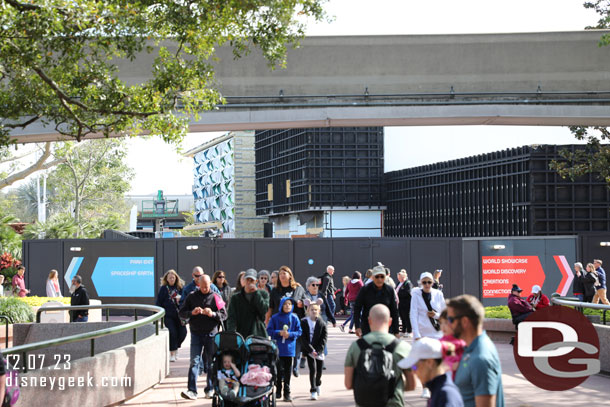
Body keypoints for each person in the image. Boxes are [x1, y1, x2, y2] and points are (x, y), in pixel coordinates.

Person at [344, 304, 416, 407]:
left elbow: (348, 384)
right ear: (390, 322)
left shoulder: (356, 347)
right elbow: (412, 384)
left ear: (369, 321)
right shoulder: (402, 347)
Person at [447, 295, 505, 407]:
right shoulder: (471, 349)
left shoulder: (480, 359)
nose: (448, 324)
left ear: (464, 321)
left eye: (451, 319)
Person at [179, 274, 227, 401]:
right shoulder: (191, 296)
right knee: (194, 361)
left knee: (211, 363)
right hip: (196, 333)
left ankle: (210, 389)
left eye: (207, 286)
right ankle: (192, 390)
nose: (205, 288)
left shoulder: (216, 296)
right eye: (203, 286)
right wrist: (191, 313)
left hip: (211, 334)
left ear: (210, 283)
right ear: (198, 284)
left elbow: (224, 314)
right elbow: (182, 313)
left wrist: (212, 314)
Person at [398, 337, 464, 407]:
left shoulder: (445, 394)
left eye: (415, 367)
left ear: (430, 362)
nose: (413, 372)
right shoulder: (438, 390)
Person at [266, 265, 306, 377]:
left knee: (296, 344)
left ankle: (295, 366)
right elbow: (270, 307)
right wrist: (267, 320)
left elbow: (305, 300)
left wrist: (301, 303)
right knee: (279, 348)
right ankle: (281, 370)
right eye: (280, 274)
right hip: (278, 322)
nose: (282, 275)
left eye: (285, 273)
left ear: (290, 275)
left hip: (294, 321)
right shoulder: (275, 290)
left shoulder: (298, 288)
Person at [267, 297, 302, 402]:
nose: (287, 306)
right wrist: (279, 332)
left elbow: (299, 331)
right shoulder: (275, 317)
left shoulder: (294, 318)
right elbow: (269, 330)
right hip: (278, 348)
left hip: (289, 349)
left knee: (287, 371)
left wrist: (290, 334)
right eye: (285, 304)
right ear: (281, 305)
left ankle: (287, 392)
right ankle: (278, 389)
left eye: (290, 304)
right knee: (277, 370)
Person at [353, 265, 400, 337]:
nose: (379, 279)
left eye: (382, 276)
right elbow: (357, 308)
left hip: (386, 327)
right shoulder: (365, 289)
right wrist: (357, 326)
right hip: (368, 326)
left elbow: (394, 310)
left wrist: (396, 331)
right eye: (377, 276)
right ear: (372, 277)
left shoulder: (389, 290)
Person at [155, 269, 187, 362]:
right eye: (170, 278)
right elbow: (159, 302)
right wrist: (156, 316)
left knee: (183, 333)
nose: (172, 279)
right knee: (172, 333)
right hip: (168, 315)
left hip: (180, 315)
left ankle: (176, 347)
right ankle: (172, 353)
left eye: (173, 277)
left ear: (176, 278)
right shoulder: (164, 288)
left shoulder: (181, 288)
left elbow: (186, 300)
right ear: (167, 279)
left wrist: (180, 301)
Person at [227, 269, 269, 338]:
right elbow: (231, 317)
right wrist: (231, 333)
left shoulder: (263, 294)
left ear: (256, 281)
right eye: (247, 280)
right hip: (242, 333)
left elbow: (264, 310)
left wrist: (256, 294)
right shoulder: (235, 297)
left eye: (251, 280)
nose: (249, 282)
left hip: (258, 333)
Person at [300, 302, 328, 400]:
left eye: (316, 310)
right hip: (309, 350)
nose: (314, 311)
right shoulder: (303, 322)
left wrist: (319, 351)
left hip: (319, 350)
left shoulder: (322, 323)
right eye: (312, 310)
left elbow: (324, 338)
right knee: (312, 370)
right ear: (308, 311)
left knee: (319, 371)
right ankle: (313, 390)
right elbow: (303, 338)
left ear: (319, 311)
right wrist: (311, 350)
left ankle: (318, 383)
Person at [410, 271, 446, 340]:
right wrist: (416, 334)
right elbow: (413, 315)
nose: (427, 284)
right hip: (422, 334)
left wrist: (435, 315)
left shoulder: (438, 294)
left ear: (432, 282)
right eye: (424, 282)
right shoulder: (416, 295)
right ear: (421, 282)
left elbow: (445, 313)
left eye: (429, 282)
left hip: (437, 333)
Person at [439, 310, 466, 379]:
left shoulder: (462, 341)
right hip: (447, 379)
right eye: (441, 323)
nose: (443, 326)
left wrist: (464, 365)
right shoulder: (443, 343)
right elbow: (445, 361)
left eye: (446, 322)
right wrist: (452, 365)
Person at [395, 269, 412, 337]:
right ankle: (403, 330)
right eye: (398, 277)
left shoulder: (407, 283)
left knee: (406, 317)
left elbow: (408, 292)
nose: (399, 279)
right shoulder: (399, 283)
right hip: (400, 303)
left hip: (406, 303)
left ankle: (409, 331)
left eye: (400, 277)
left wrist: (398, 294)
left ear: (403, 277)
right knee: (402, 317)